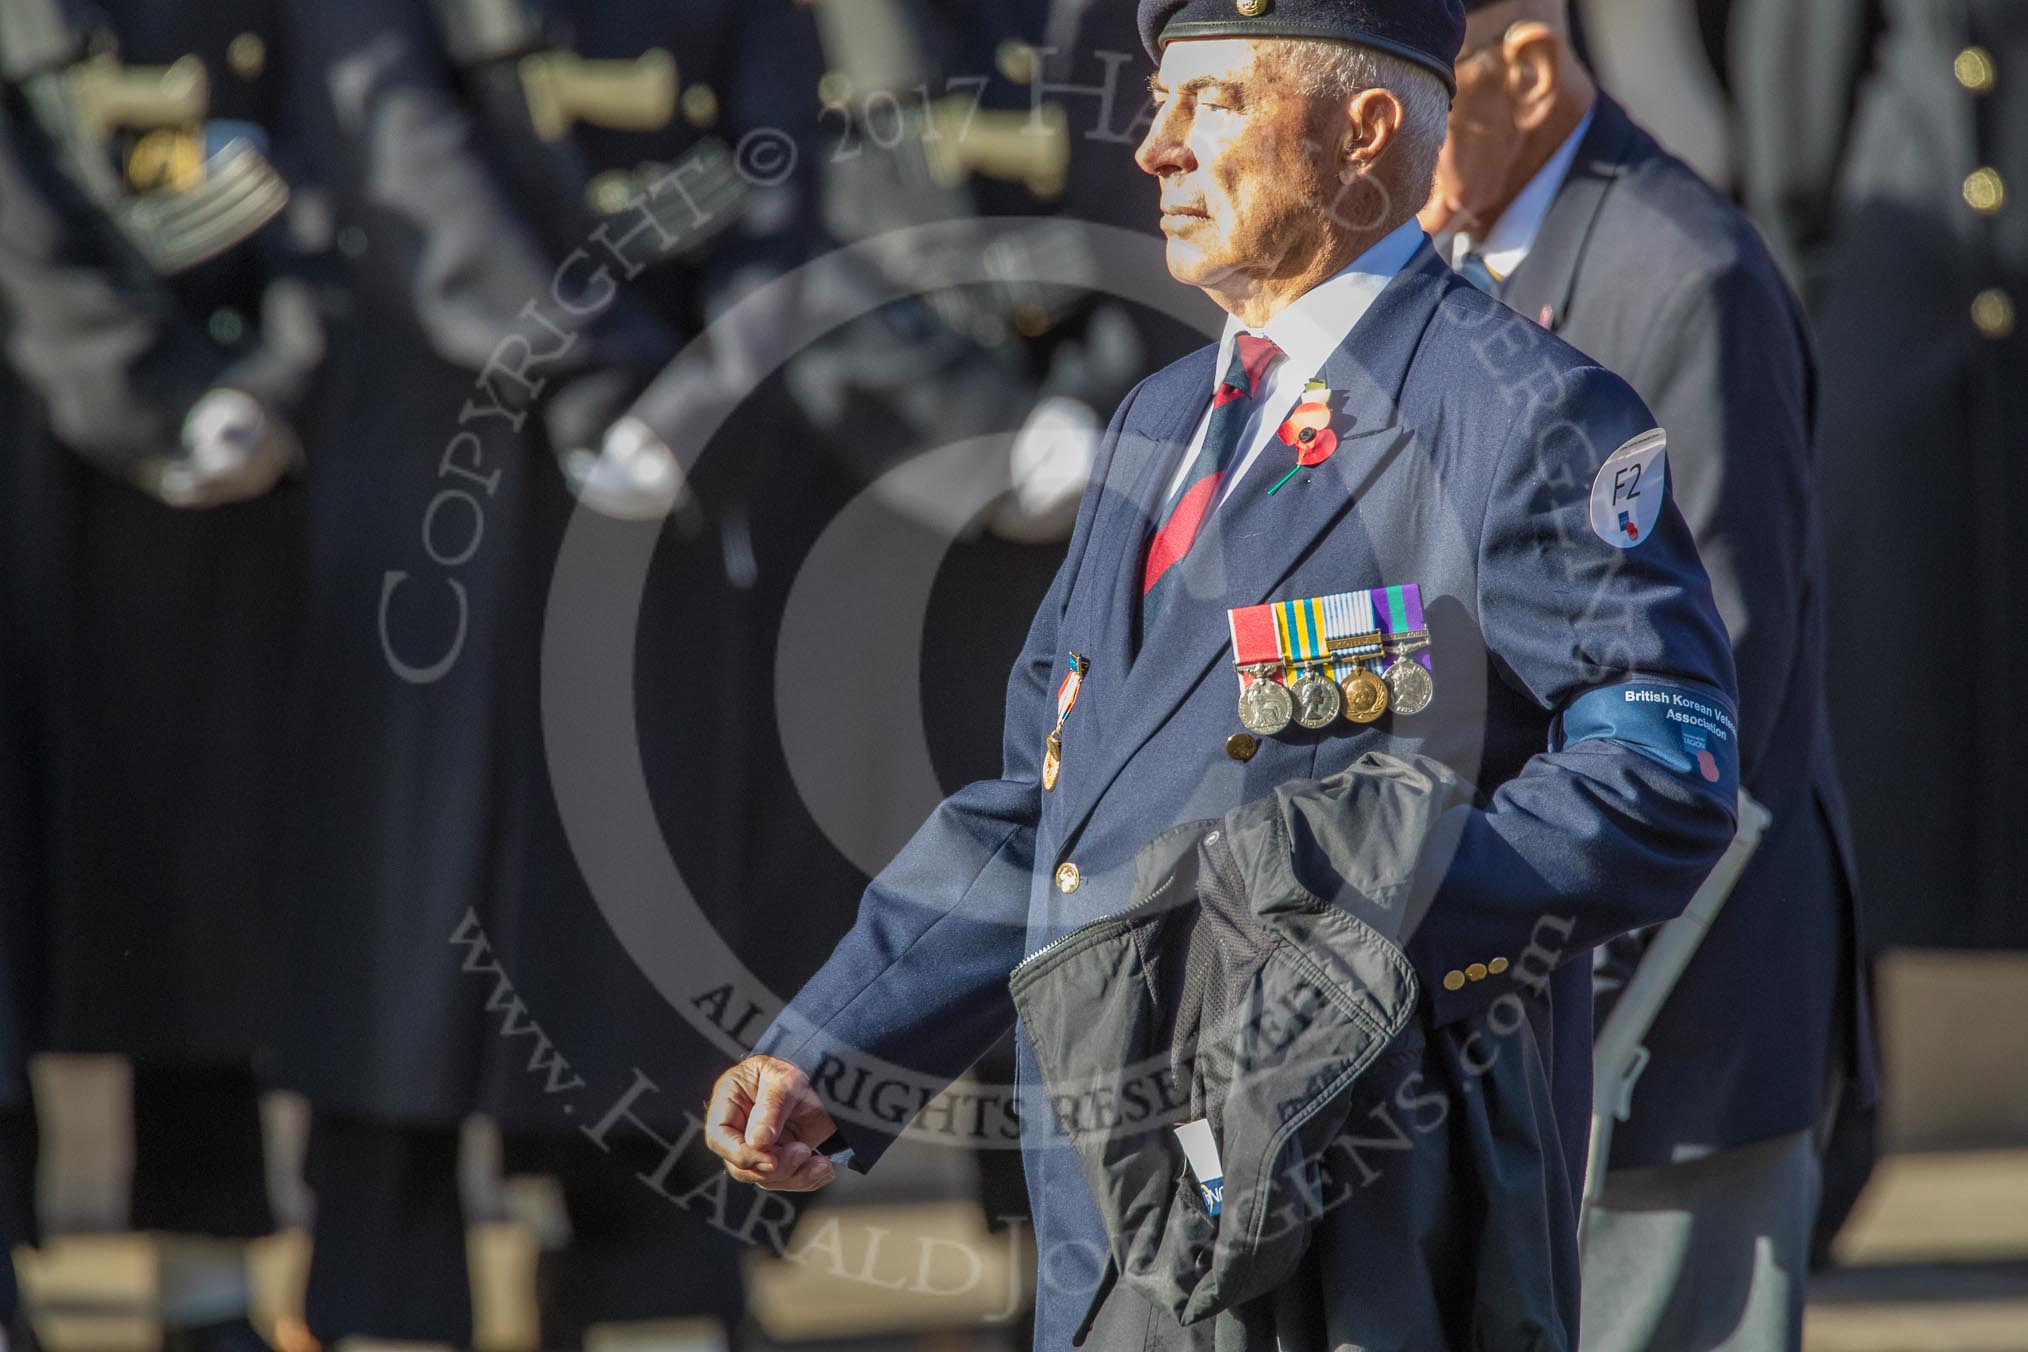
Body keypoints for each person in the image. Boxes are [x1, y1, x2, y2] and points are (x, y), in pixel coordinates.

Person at [704, 0, 1744, 1346]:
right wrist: (830, 1053)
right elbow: (1047, 809)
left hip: (1354, 1208)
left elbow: (1662, 772)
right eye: (1157, 104)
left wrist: (1347, 910)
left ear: (1365, 132)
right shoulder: (1159, 418)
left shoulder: (1524, 412)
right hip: (1121, 1223)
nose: (1153, 150)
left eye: (1213, 105)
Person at [1419, 2, 1871, 1346]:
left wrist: (1519, 979)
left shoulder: (1684, 272)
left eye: (1418, 91)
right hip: (1505, 1007)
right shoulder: (1457, 251)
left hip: (1661, 1024)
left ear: (1529, 67)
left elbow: (1705, 696)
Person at [0, 5, 328, 1345]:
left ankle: (208, 1277)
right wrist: (147, 394)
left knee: (197, 898)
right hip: (35, 470)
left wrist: (274, 386)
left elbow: (336, 189)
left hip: (227, 489)